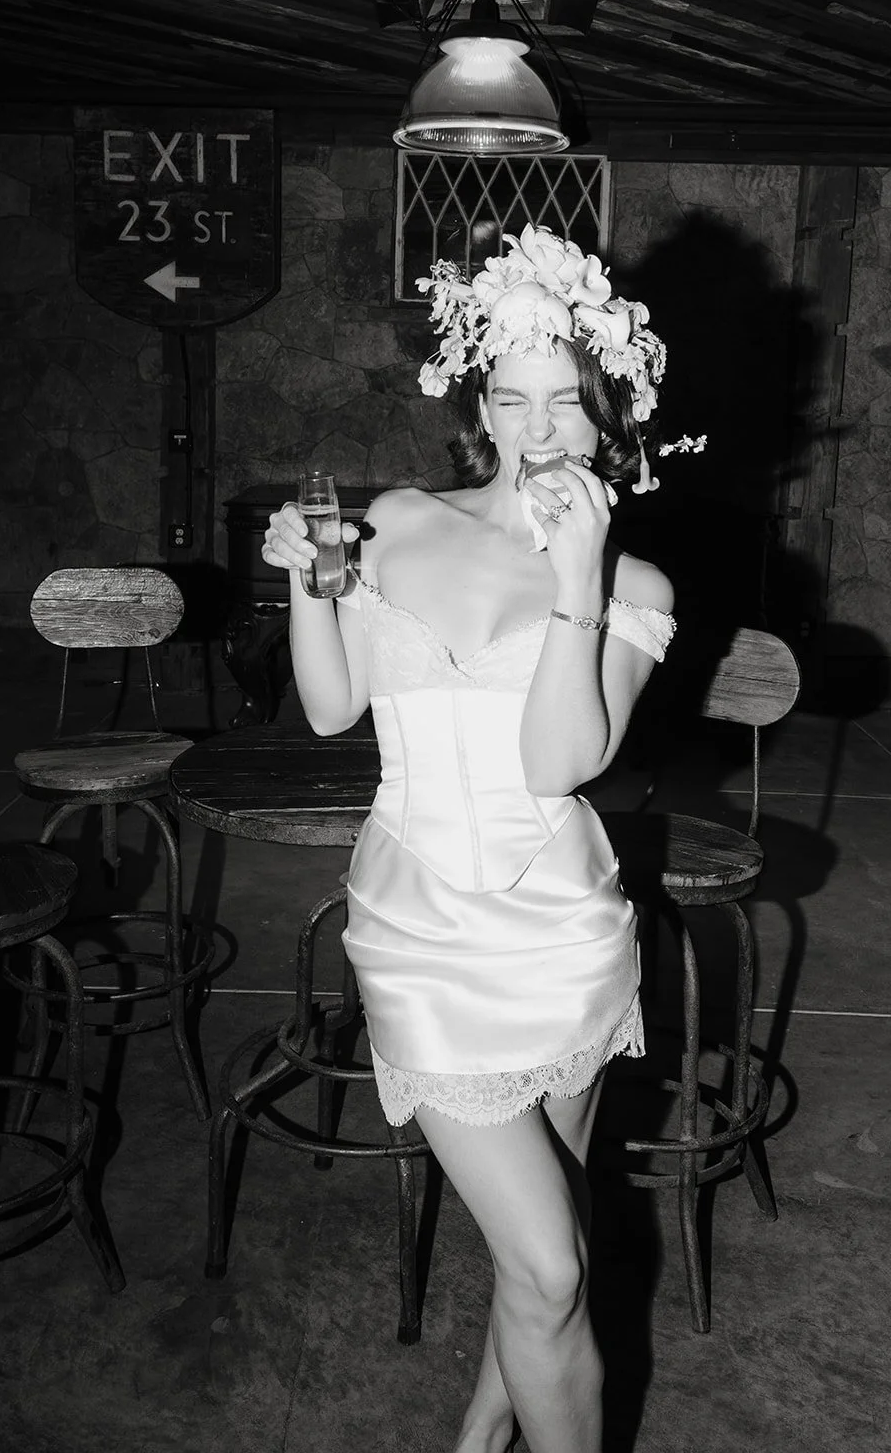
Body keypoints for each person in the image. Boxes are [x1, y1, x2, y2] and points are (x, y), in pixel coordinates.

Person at [261, 225, 701, 1453]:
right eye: (512, 396)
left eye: (568, 399)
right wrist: (308, 577)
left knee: (535, 1262)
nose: (539, 427)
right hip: (418, 940)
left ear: (608, 412)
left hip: (559, 939)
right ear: (482, 404)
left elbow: (556, 763)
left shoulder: (638, 587)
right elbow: (333, 704)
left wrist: (579, 575)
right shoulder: (401, 517)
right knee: (556, 1265)